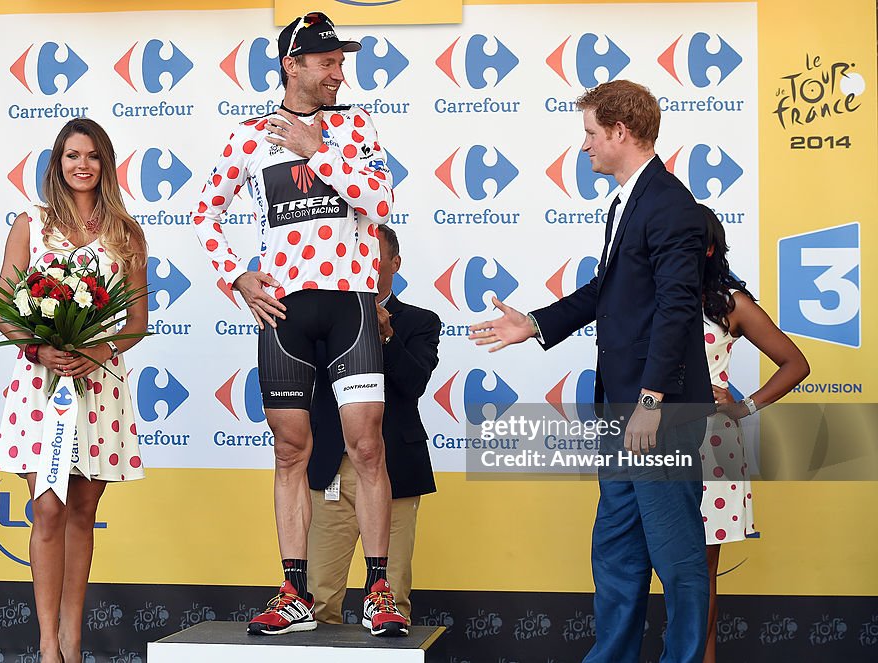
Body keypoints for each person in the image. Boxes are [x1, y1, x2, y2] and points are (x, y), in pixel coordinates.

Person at [470, 80, 714, 663]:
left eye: (589, 133)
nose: (584, 146)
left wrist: (651, 401)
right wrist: (533, 323)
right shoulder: (629, 201)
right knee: (616, 554)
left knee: (678, 560)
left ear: (620, 132)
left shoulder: (672, 206)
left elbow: (678, 309)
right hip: (624, 410)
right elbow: (609, 292)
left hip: (657, 412)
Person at [191, 11, 407, 637]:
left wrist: (318, 151)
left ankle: (380, 590)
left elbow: (379, 201)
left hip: (351, 304)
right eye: (328, 62)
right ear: (293, 66)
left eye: (342, 62)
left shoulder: (356, 126)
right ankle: (292, 590)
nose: (340, 72)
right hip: (286, 308)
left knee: (367, 446)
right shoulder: (250, 135)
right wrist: (236, 275)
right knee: (291, 450)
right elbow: (205, 212)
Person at [0, 118, 149, 663]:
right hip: (42, 384)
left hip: (98, 384)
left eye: (92, 156)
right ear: (57, 164)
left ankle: (74, 643)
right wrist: (38, 349)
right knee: (49, 509)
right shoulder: (29, 224)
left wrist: (96, 353)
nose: (81, 165)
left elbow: (136, 322)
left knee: (83, 509)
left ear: (105, 163)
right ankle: (46, 646)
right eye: (70, 155)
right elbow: (5, 307)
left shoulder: (126, 231)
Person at [307, 224, 440, 624]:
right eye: (353, 252)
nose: (360, 261)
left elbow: (413, 383)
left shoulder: (420, 321)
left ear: (394, 263)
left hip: (394, 469)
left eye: (371, 253)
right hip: (330, 467)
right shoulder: (320, 319)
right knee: (317, 597)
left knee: (392, 598)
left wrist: (385, 335)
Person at [697, 207, 809, 663]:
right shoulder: (649, 294)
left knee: (700, 579)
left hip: (709, 447)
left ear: (707, 248)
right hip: (652, 444)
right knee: (648, 567)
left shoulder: (730, 302)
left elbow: (796, 363)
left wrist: (743, 406)